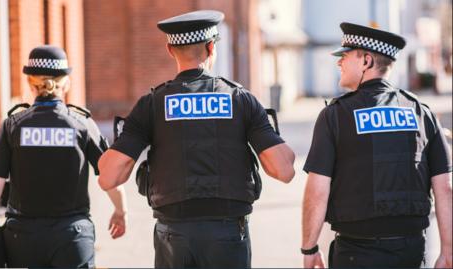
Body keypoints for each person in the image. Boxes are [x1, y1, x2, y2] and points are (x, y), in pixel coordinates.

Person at [98, 10, 295, 268]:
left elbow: (109, 177)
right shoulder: (241, 100)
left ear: (170, 50)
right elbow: (284, 170)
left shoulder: (153, 105)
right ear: (212, 48)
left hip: (173, 235)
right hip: (228, 234)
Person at [301, 22, 452, 268]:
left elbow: (317, 189)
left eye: (345, 56)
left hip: (355, 252)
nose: (339, 62)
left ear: (366, 61)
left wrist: (309, 247)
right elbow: (444, 188)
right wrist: (448, 251)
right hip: (410, 252)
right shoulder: (422, 113)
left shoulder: (335, 115)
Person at [0, 45, 128, 267]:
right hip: (72, 237)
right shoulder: (82, 124)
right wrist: (120, 211)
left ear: (30, 82)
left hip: (22, 239)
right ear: (66, 82)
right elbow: (110, 178)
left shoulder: (12, 126)